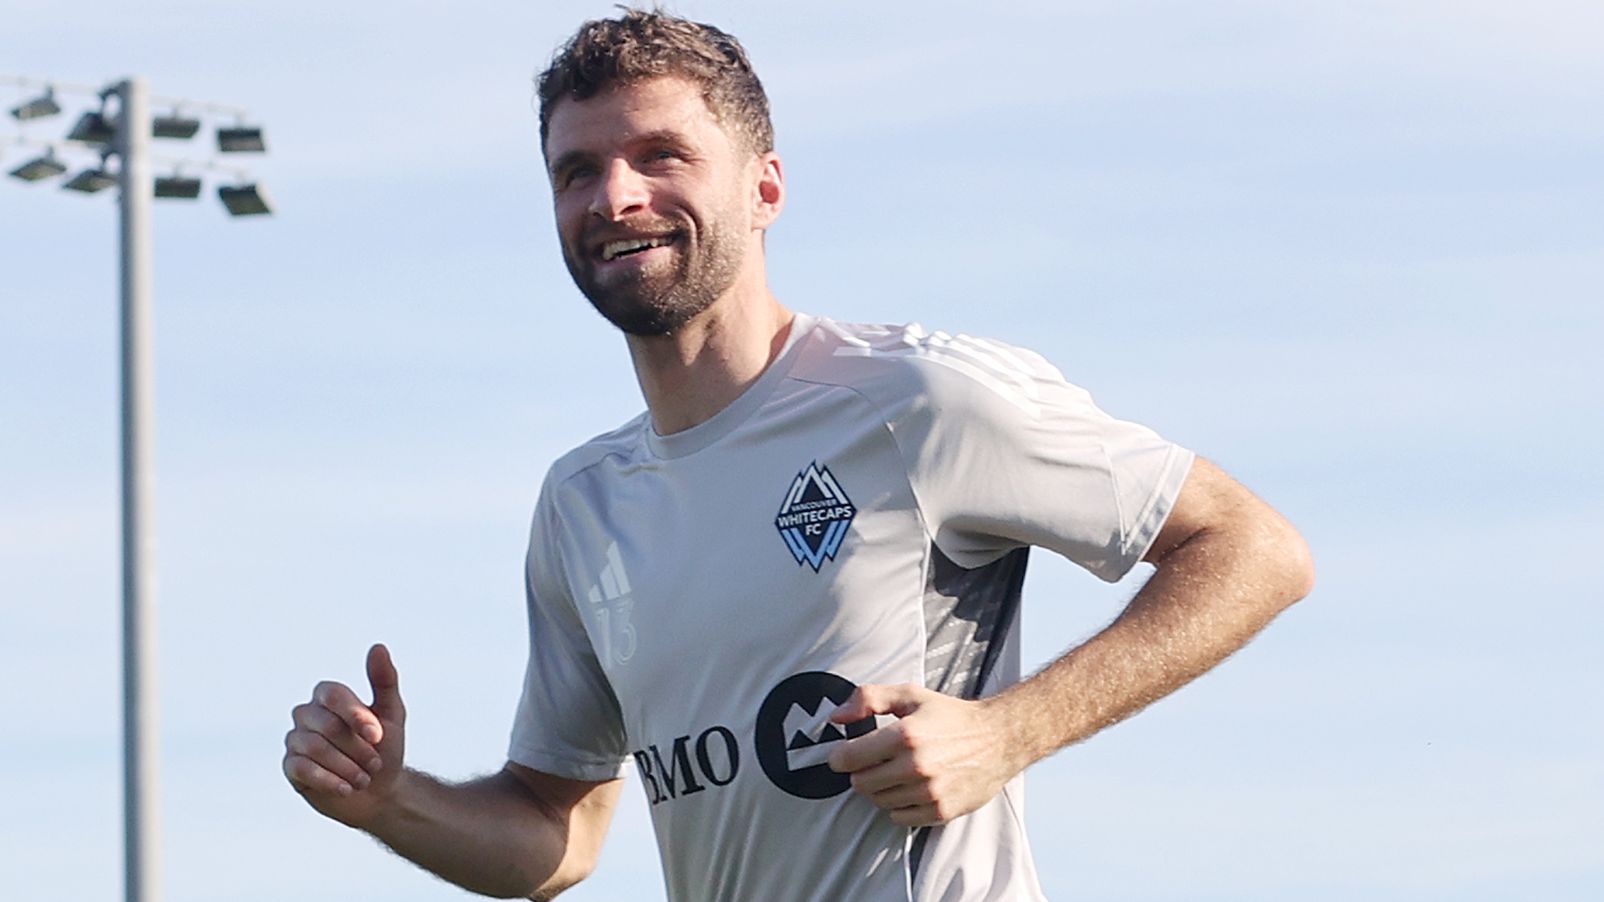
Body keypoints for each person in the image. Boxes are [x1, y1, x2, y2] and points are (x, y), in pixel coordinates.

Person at [282, 9, 1314, 901]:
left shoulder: (915, 397)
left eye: (660, 156)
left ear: (764, 189)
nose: (615, 197)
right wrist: (391, 801)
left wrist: (1008, 731)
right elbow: (559, 832)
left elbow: (1252, 547)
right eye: (576, 170)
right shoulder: (581, 504)